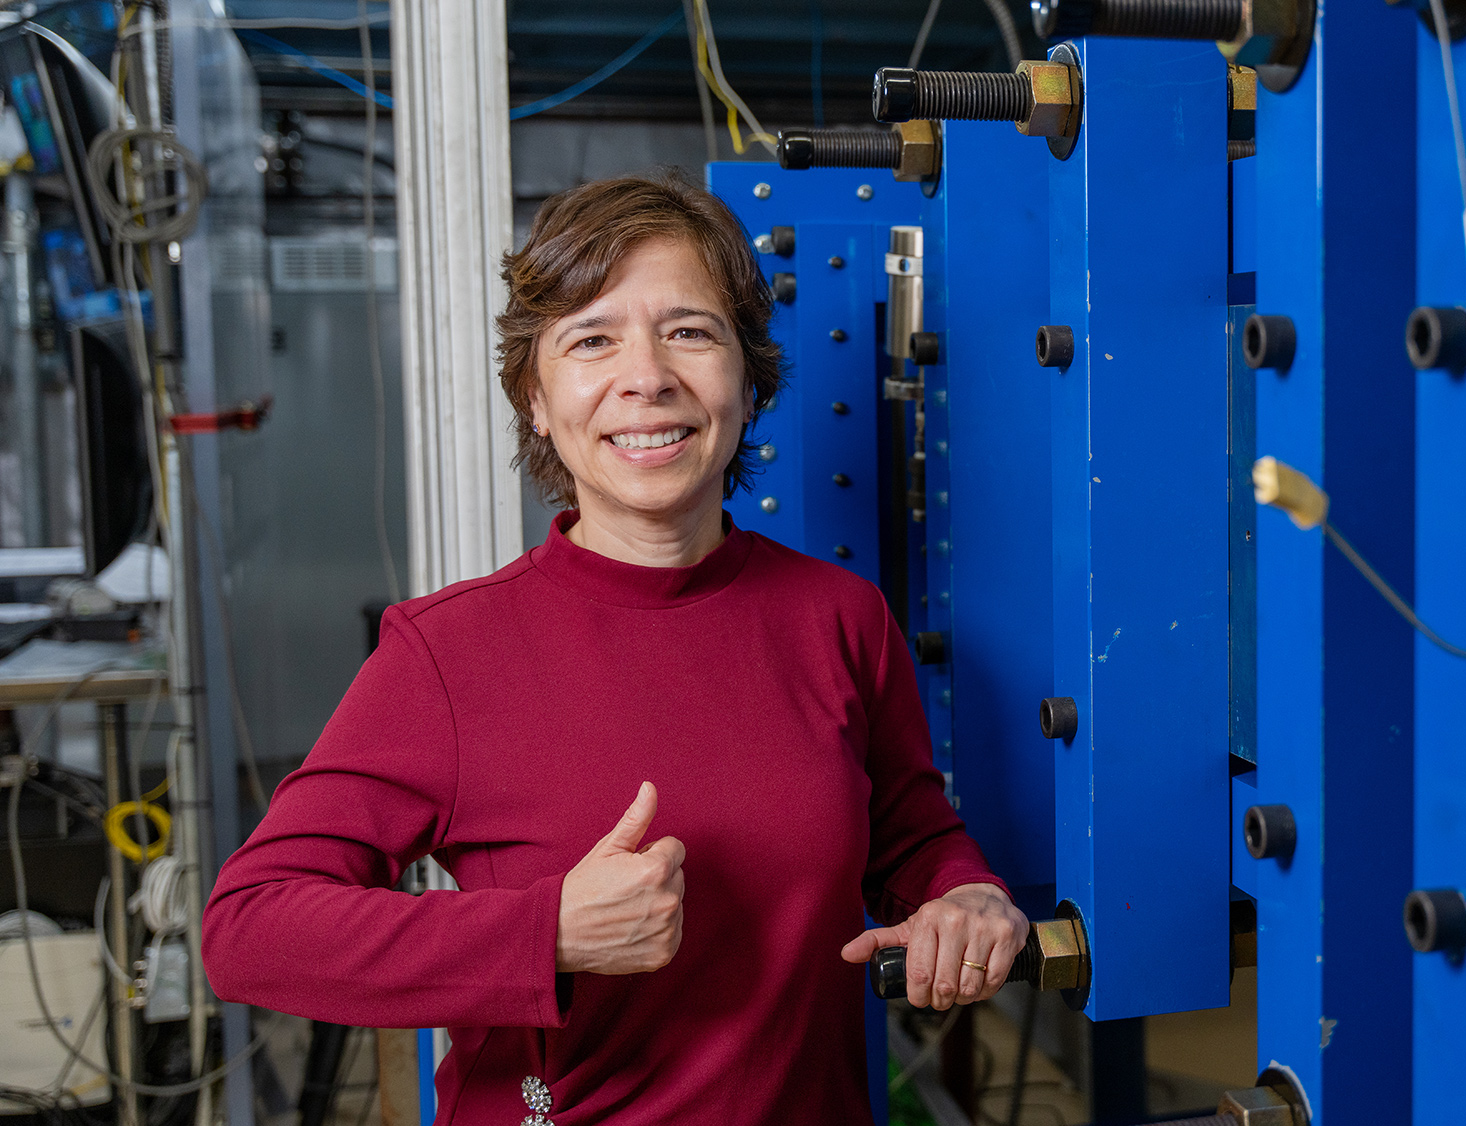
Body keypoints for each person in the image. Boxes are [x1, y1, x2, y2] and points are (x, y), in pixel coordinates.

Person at [202, 174, 1028, 1125]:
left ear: (749, 382)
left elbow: (912, 831)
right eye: (592, 340)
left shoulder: (839, 617)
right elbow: (248, 928)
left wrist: (967, 894)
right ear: (538, 401)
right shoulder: (448, 654)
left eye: (690, 331)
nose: (648, 376)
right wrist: (542, 932)